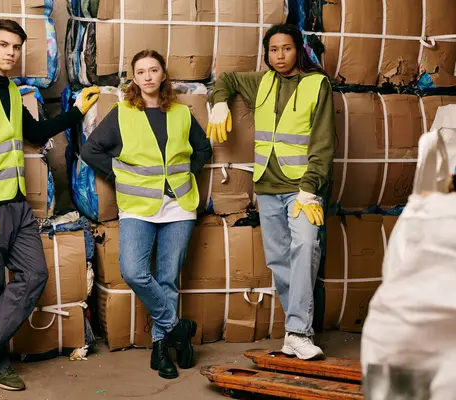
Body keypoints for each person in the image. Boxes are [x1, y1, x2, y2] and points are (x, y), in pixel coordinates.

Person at [0, 19, 99, 393]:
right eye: (3, 45)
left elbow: (34, 133)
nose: (10, 53)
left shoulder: (12, 91)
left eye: (15, 47)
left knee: (34, 275)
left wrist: (76, 112)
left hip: (15, 203)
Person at [81, 49, 212, 379]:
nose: (149, 76)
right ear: (134, 79)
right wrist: (118, 176)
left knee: (167, 278)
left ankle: (160, 350)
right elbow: (90, 150)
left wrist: (185, 175)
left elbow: (203, 150)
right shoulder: (122, 113)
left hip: (179, 205)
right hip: (138, 206)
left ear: (163, 75)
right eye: (142, 72)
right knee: (134, 271)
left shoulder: (181, 114)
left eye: (154, 70)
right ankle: (178, 330)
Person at [208, 23, 335, 360]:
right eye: (274, 50)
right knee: (279, 261)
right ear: (267, 54)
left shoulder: (317, 84)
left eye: (287, 48)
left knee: (306, 249)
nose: (280, 56)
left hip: (301, 190)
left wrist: (311, 188)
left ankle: (298, 331)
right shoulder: (261, 83)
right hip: (266, 187)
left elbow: (324, 141)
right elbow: (228, 80)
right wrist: (219, 102)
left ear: (299, 50)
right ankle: (295, 333)